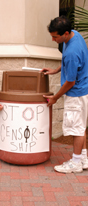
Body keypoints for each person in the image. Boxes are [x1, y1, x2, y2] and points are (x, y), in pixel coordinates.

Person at [42, 15, 88, 174]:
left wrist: (54, 97)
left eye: (55, 36)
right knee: (81, 126)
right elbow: (69, 62)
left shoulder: (72, 52)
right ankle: (84, 158)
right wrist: (55, 70)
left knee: (75, 129)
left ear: (66, 33)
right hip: (84, 91)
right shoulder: (76, 36)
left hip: (75, 94)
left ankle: (75, 163)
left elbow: (70, 82)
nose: (53, 39)